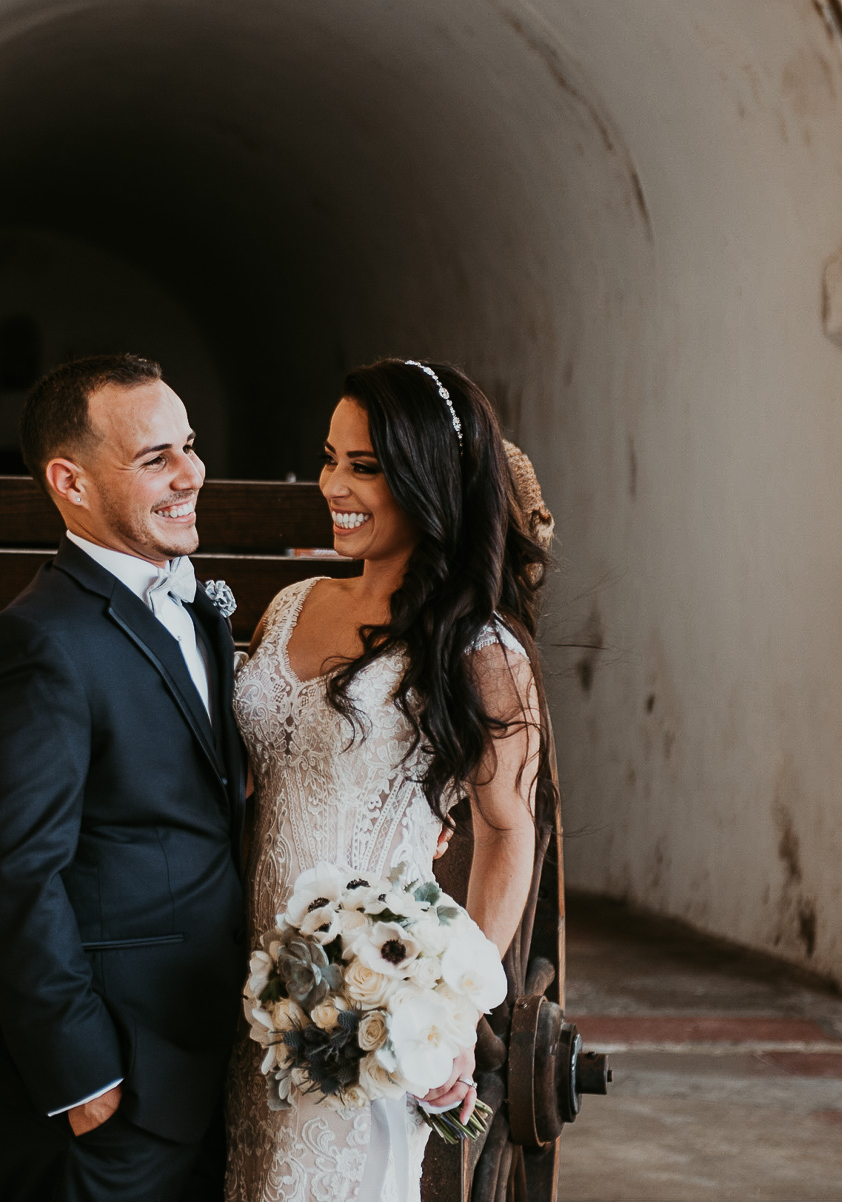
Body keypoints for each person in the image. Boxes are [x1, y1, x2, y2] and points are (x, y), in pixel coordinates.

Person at [224, 359, 549, 1201]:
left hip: (365, 1006)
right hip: (251, 990)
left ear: (427, 477)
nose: (334, 484)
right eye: (329, 458)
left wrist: (448, 1011)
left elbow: (510, 828)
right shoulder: (292, 604)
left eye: (364, 467)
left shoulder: (478, 649)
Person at [0, 353, 247, 1202]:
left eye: (188, 446)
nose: (190, 472)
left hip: (199, 1058)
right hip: (111, 1079)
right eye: (156, 458)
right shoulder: (39, 643)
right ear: (69, 481)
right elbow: (13, 874)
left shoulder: (194, 607)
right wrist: (84, 1082)